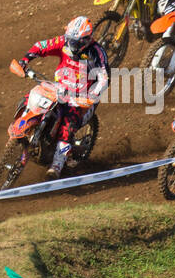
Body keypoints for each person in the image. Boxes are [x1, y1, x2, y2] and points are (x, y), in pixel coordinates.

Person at [16, 15, 110, 177]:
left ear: (86, 40)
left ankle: (56, 167)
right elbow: (40, 46)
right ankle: (19, 131)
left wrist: (91, 97)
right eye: (70, 40)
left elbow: (104, 79)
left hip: (82, 99)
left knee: (68, 126)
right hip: (59, 89)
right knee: (28, 100)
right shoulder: (64, 41)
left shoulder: (97, 52)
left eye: (76, 42)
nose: (71, 44)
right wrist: (25, 60)